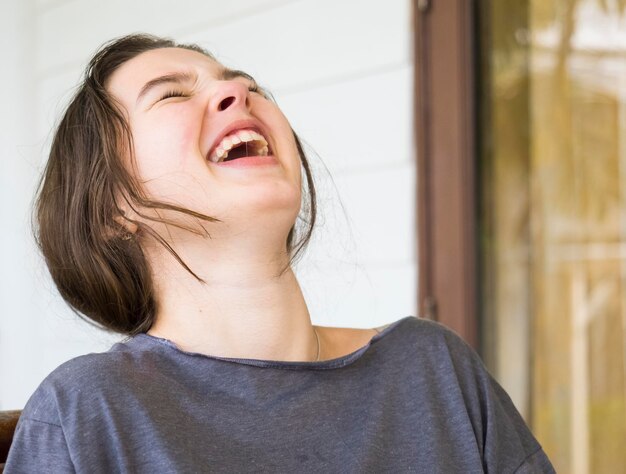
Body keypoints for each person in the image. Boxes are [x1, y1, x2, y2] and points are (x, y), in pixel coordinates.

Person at [5, 34, 554, 473]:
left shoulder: (436, 369)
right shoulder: (85, 415)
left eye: (244, 84)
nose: (239, 92)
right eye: (172, 93)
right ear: (110, 210)